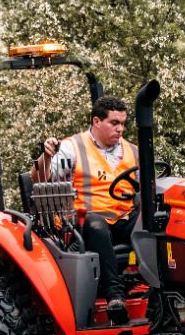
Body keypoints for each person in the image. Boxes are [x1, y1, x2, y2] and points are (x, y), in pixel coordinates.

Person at [35, 96, 137, 322]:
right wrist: (46, 156)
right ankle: (115, 296)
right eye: (114, 123)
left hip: (124, 217)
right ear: (97, 121)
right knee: (95, 224)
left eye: (123, 123)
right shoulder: (73, 148)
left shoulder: (132, 151)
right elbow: (41, 178)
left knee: (155, 218)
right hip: (86, 223)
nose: (120, 129)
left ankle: (161, 289)